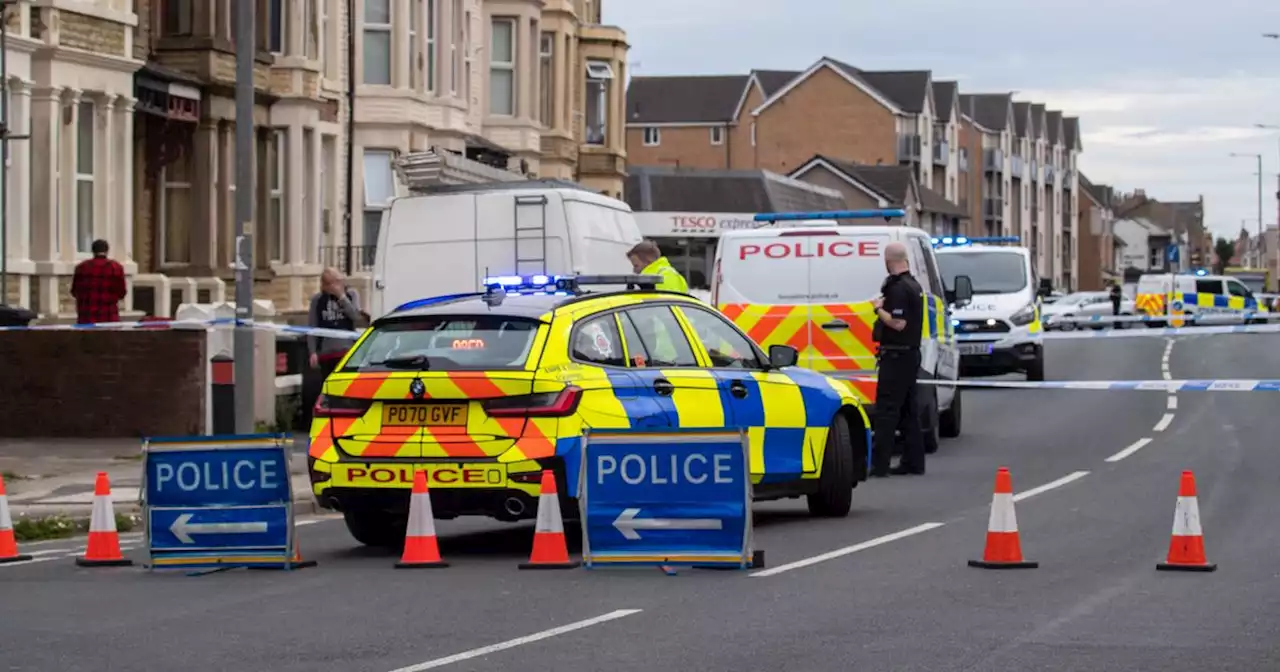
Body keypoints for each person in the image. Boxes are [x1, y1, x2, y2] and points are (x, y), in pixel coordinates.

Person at [869, 242, 926, 477]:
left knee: (887, 410)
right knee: (908, 411)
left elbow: (898, 323)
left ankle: (880, 465)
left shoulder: (899, 288)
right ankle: (914, 462)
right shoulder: (913, 284)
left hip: (897, 355)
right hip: (909, 354)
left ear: (888, 260)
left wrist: (877, 309)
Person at [303, 268, 363, 421]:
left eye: (335, 283)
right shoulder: (318, 300)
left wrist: (341, 297)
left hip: (347, 351)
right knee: (329, 388)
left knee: (347, 386)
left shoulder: (351, 294)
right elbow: (312, 327)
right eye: (328, 284)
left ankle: (347, 417)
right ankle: (330, 417)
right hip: (327, 352)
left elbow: (355, 315)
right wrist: (313, 351)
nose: (332, 287)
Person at [70, 239, 127, 324]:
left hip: (86, 315)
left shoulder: (81, 267)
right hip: (108, 315)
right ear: (107, 251)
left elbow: (75, 291)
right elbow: (121, 292)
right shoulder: (116, 267)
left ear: (92, 251)